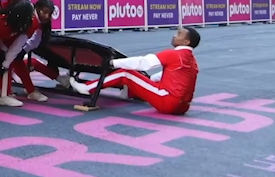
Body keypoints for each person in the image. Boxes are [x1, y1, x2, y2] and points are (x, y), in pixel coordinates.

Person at [70, 27, 201, 115]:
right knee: (148, 79)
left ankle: (86, 88)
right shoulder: (192, 60)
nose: (174, 35)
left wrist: (113, 63)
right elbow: (176, 76)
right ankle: (129, 92)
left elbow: (143, 63)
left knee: (126, 73)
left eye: (178, 34)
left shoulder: (174, 54)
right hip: (183, 107)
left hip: (168, 102)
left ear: (186, 41)